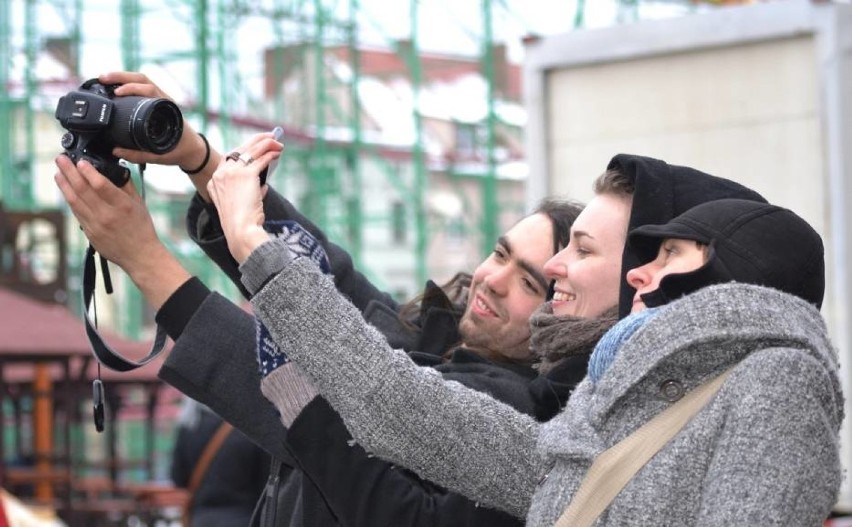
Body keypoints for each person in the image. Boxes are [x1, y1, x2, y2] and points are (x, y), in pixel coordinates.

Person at [53, 77, 587, 526]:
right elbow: (326, 277)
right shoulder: (438, 338)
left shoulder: (512, 407)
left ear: (563, 310)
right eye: (501, 253)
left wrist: (146, 259)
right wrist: (194, 155)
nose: (493, 280)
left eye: (530, 284)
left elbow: (302, 403)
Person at [217, 162, 842, 527]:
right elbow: (399, 408)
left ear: (730, 279)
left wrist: (259, 248)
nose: (640, 274)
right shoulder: (614, 397)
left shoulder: (776, 381)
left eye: (671, 254)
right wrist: (255, 247)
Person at [170, 399, 270, 527]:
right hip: (244, 518)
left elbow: (178, 478)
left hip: (201, 519)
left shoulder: (190, 428)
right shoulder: (248, 429)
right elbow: (265, 482)